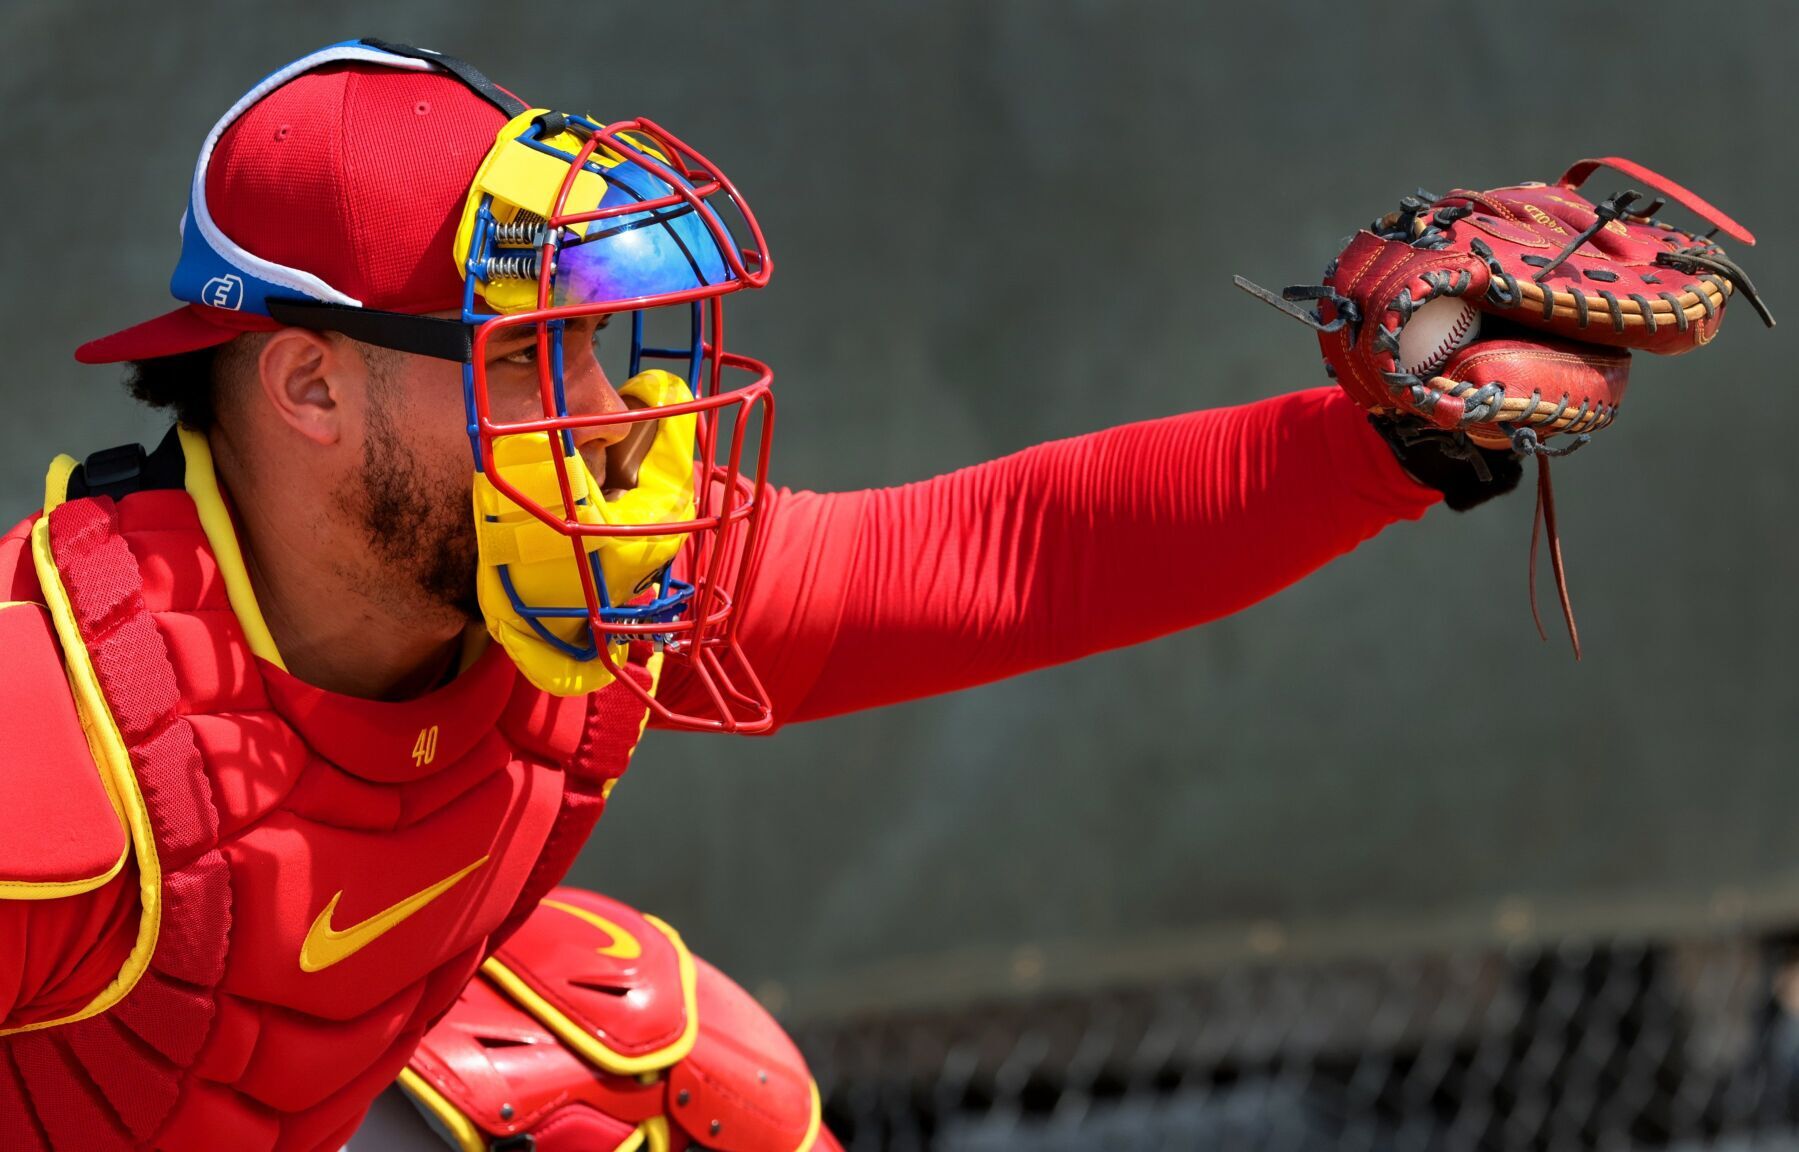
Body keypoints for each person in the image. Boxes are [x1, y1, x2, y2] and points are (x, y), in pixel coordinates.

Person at [0, 40, 1511, 1152]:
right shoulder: (54, 734)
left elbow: (1007, 557)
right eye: (528, 353)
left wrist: (1386, 439)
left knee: (655, 1070)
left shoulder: (546, 577)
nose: (596, 412)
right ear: (310, 385)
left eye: (593, 342)